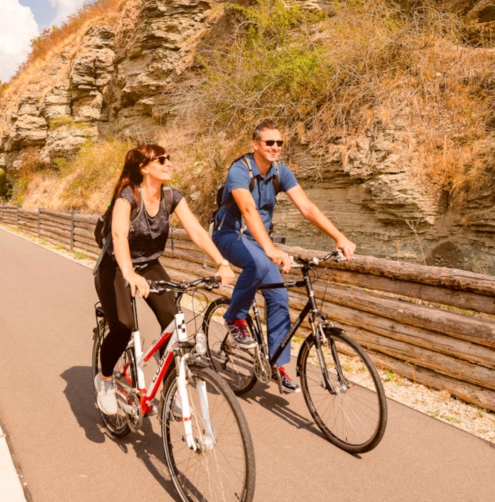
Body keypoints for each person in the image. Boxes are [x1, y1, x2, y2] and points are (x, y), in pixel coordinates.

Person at [212, 119, 355, 393]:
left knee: (279, 298)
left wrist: (339, 236)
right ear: (256, 145)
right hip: (231, 235)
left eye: (279, 143)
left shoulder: (280, 172)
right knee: (259, 262)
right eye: (269, 142)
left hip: (259, 239)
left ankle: (276, 363)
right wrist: (271, 249)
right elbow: (248, 210)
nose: (276, 147)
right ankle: (234, 317)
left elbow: (307, 207)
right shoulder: (239, 171)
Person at [94, 143, 235, 415]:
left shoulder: (172, 196)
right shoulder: (127, 196)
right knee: (123, 326)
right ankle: (106, 379)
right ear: (144, 168)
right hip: (114, 266)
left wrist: (222, 262)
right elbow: (119, 236)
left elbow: (196, 231)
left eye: (169, 158)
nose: (168, 162)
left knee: (174, 323)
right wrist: (129, 273)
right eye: (161, 160)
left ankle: (171, 386)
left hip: (148, 264)